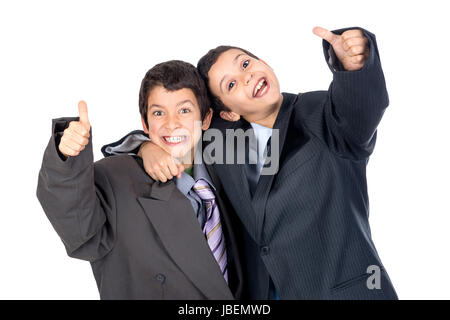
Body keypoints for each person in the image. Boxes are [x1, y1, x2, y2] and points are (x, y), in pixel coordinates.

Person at [101, 26, 398, 299]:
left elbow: (361, 108)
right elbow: (176, 126)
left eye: (245, 64)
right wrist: (145, 147)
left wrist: (354, 66)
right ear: (227, 113)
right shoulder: (222, 138)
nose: (246, 77)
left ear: (262, 62)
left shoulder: (321, 115)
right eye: (230, 85)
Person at [36, 60, 245, 300]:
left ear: (206, 118)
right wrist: (68, 157)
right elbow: (79, 228)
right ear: (145, 123)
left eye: (184, 110)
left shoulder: (227, 168)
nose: (171, 123)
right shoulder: (115, 177)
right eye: (158, 113)